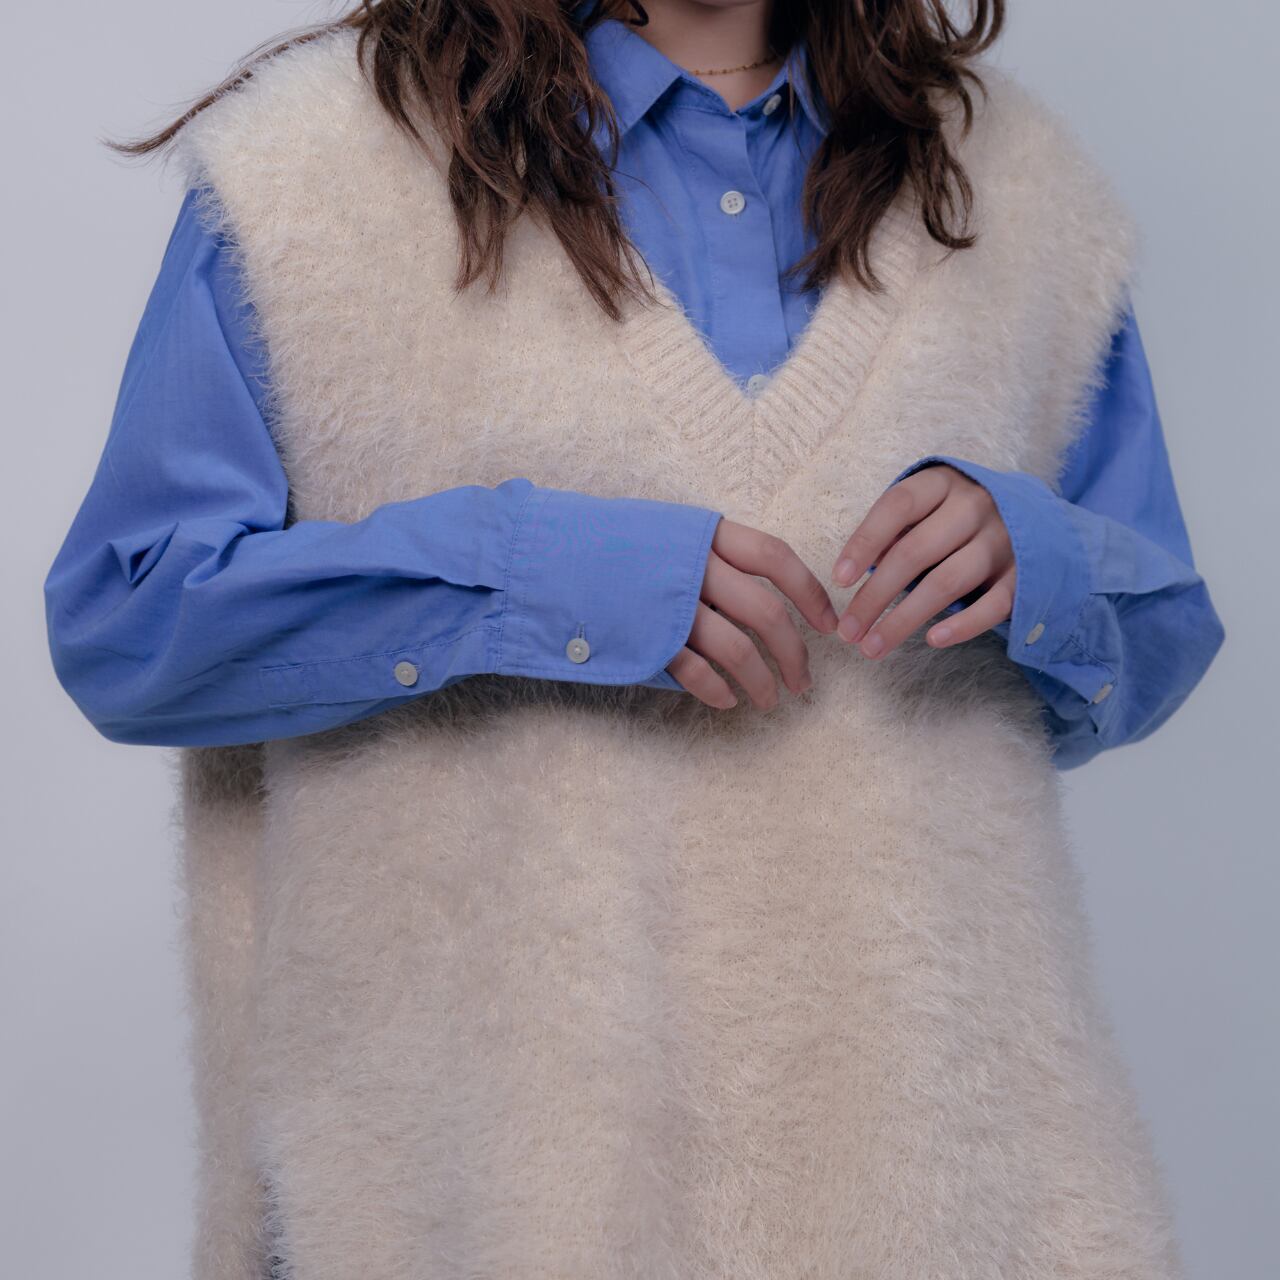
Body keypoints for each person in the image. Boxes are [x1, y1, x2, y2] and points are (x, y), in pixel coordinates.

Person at [43, 1, 1224, 1275]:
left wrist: (1034, 552)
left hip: (932, 1173)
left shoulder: (1012, 187)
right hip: (475, 1185)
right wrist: (525, 574)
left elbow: (1158, 623)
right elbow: (130, 618)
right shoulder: (315, 167)